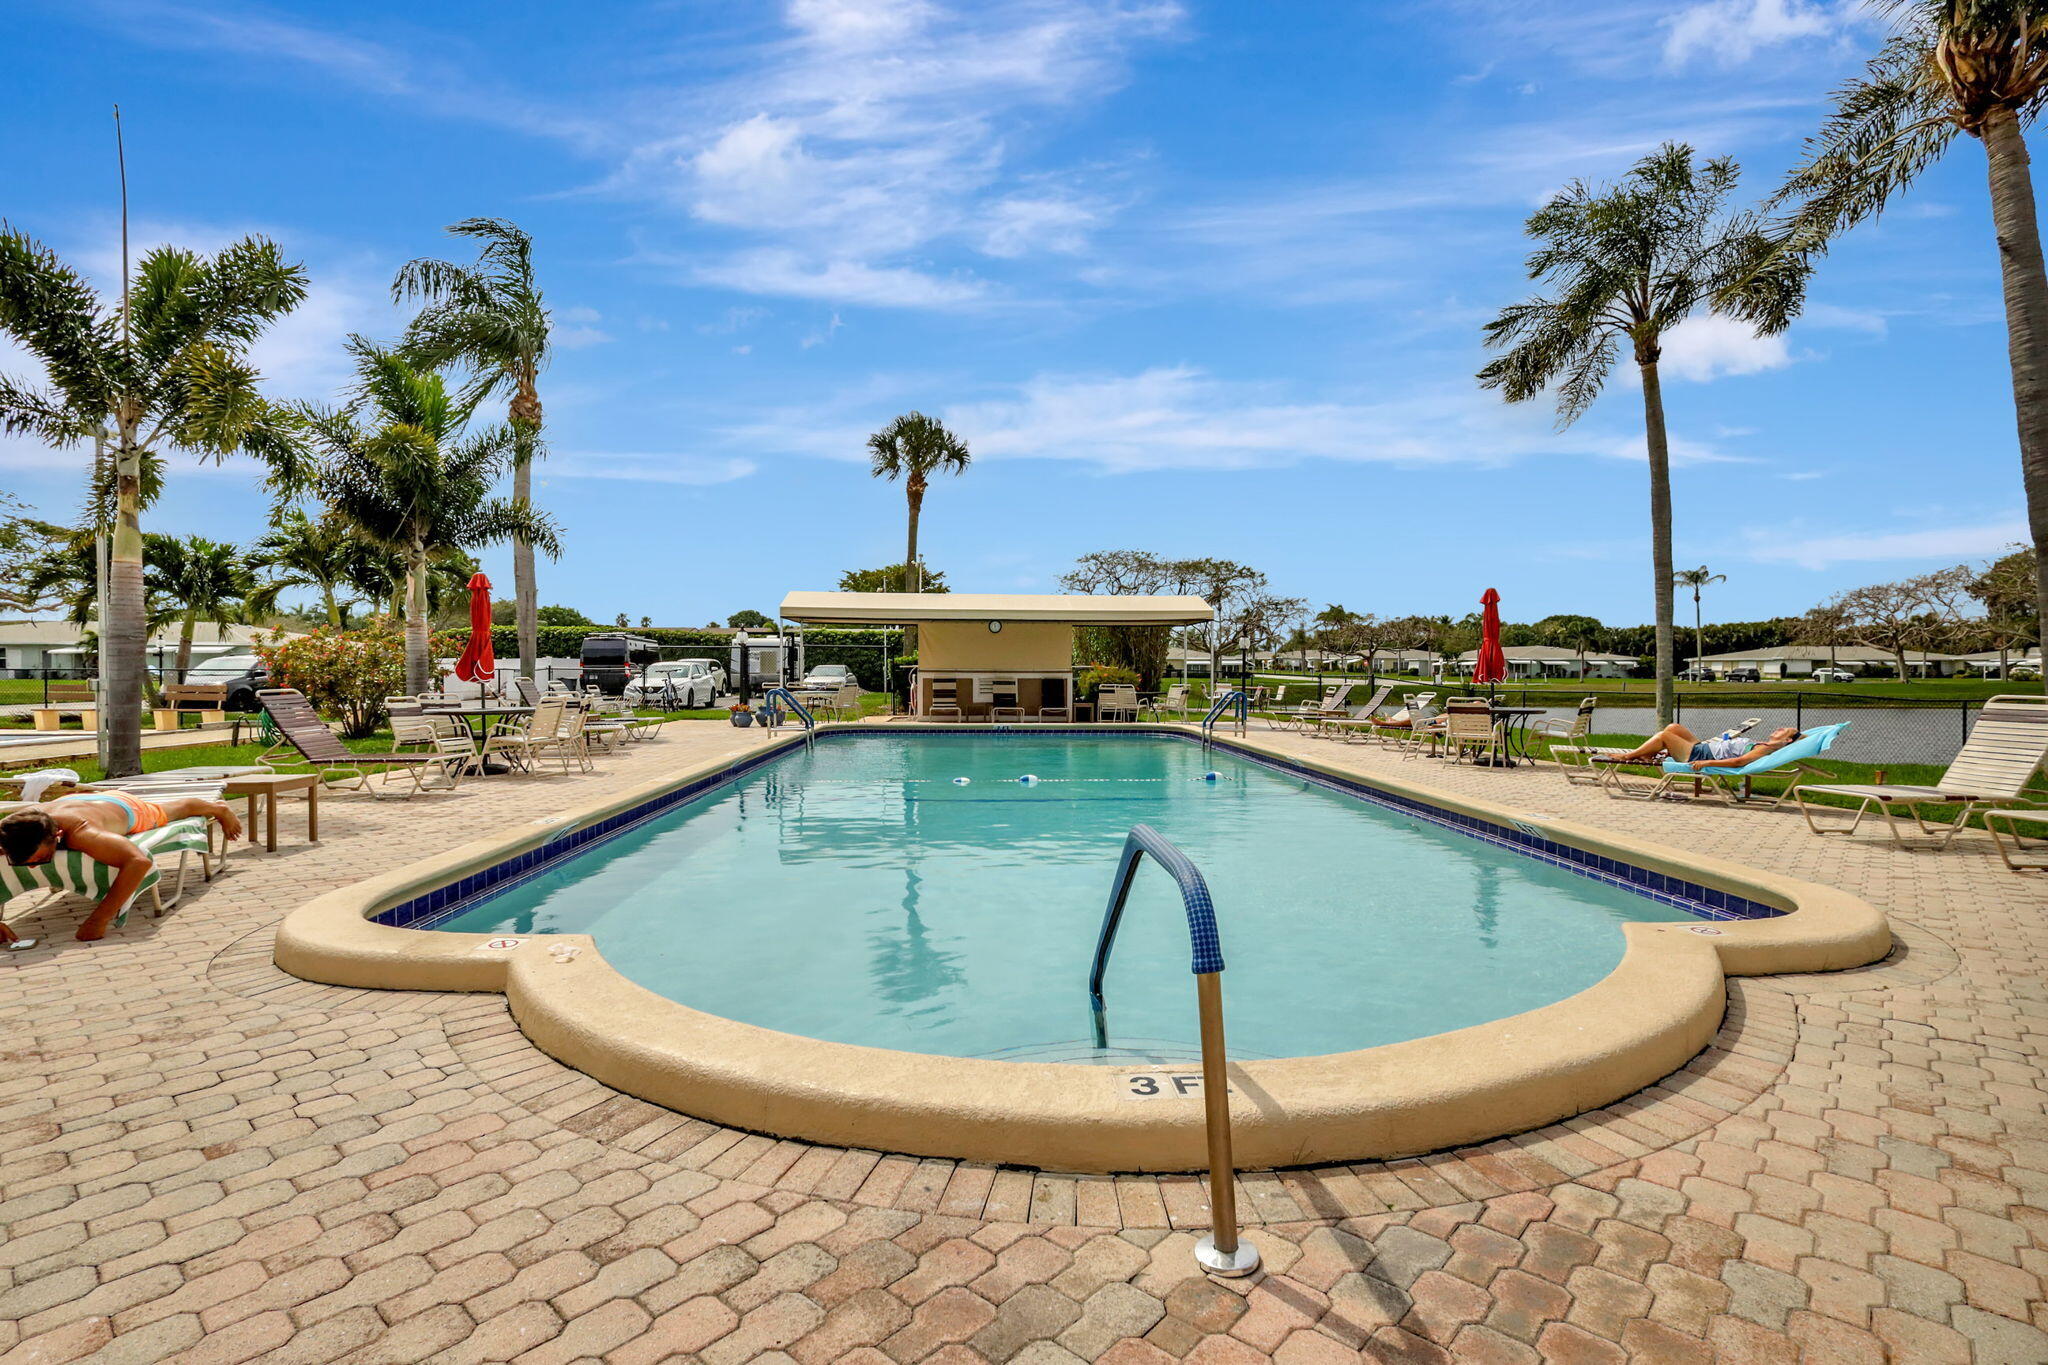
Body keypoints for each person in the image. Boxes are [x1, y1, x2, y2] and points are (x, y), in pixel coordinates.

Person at [0, 790, 242, 942]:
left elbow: (138, 861)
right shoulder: (8, 832)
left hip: (122, 805)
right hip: (71, 800)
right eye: (20, 863)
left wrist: (99, 920)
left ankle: (218, 808)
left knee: (172, 811)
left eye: (40, 860)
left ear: (59, 836)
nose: (32, 869)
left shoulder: (82, 832)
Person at [1599, 723, 1804, 771]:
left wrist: (1706, 762)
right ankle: (1645, 755)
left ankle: (1628, 757)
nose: (1778, 728)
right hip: (1701, 747)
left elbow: (1739, 762)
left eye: (1783, 730)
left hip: (1697, 754)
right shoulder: (1764, 744)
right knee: (1674, 727)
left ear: (1787, 741)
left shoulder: (1765, 749)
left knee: (1665, 735)